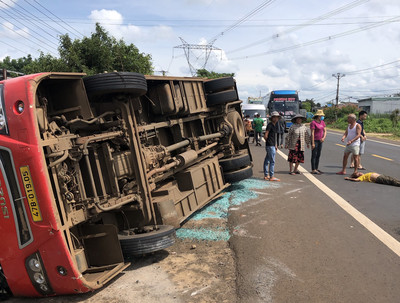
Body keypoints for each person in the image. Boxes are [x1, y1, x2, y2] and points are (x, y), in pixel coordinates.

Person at [263, 111, 280, 181]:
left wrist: (275, 144)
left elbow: (274, 136)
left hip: (272, 145)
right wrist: (270, 143)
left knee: (267, 160)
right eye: (274, 117)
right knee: (272, 161)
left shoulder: (275, 125)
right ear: (272, 118)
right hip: (270, 145)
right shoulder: (270, 125)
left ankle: (266, 175)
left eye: (277, 117)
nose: (276, 119)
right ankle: (271, 176)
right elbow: (265, 135)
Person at [310, 109, 327, 175]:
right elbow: (312, 133)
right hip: (315, 140)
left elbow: (325, 131)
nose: (322, 117)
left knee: (318, 155)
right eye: (321, 115)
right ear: (318, 116)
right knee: (314, 155)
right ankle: (313, 169)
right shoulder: (313, 123)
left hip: (320, 140)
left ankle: (316, 168)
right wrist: (313, 143)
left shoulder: (322, 122)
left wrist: (323, 138)